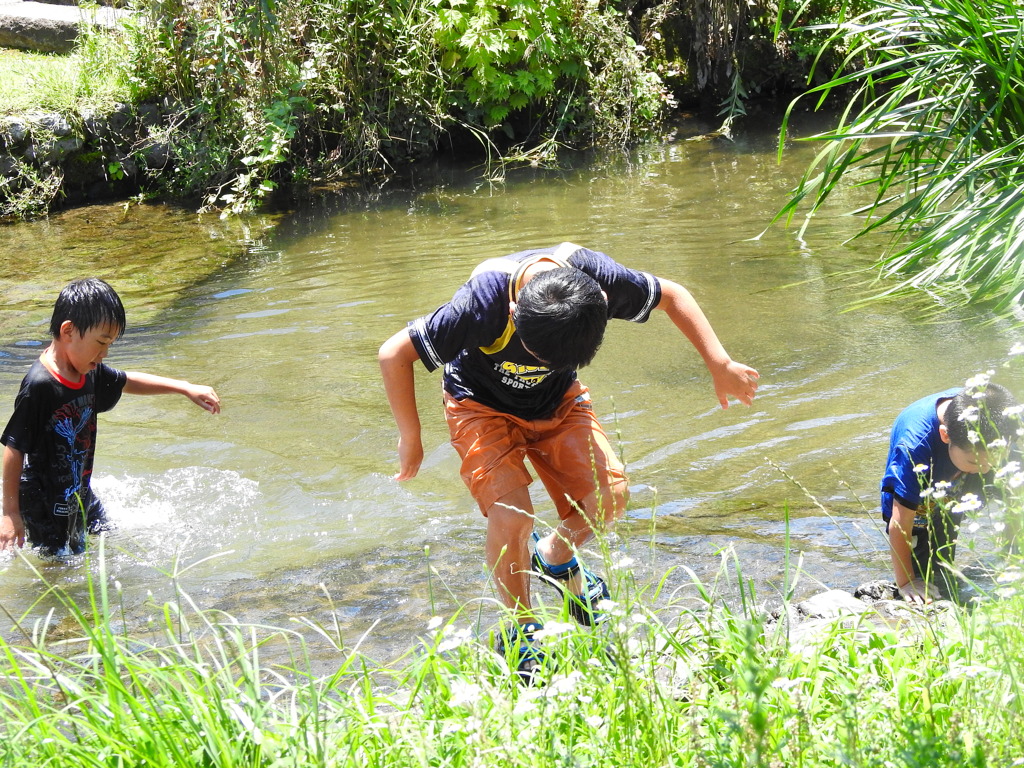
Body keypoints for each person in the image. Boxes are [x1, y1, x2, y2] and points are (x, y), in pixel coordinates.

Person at [378, 242, 758, 667]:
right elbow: (394, 354)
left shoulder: (598, 280)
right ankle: (521, 629)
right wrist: (410, 437)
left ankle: (556, 556)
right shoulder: (481, 304)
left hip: (559, 401)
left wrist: (719, 362)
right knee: (512, 515)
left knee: (610, 494)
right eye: (539, 356)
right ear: (514, 315)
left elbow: (672, 295)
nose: (541, 361)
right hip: (479, 406)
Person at [0, 278, 221, 557]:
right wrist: (10, 514)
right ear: (68, 331)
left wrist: (184, 387)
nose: (104, 354)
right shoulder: (40, 385)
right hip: (45, 501)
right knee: (60, 565)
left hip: (80, 492)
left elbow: (126, 381)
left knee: (108, 539)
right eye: (101, 343)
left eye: (110, 345)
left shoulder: (88, 369)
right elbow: (14, 447)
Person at [881, 381, 1017, 604]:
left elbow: (991, 466)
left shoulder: (1002, 422)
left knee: (1013, 486)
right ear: (945, 435)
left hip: (964, 457)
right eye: (977, 463)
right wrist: (906, 582)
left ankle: (1014, 549)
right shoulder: (914, 446)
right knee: (928, 569)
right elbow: (900, 522)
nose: (986, 471)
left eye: (993, 461)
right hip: (927, 475)